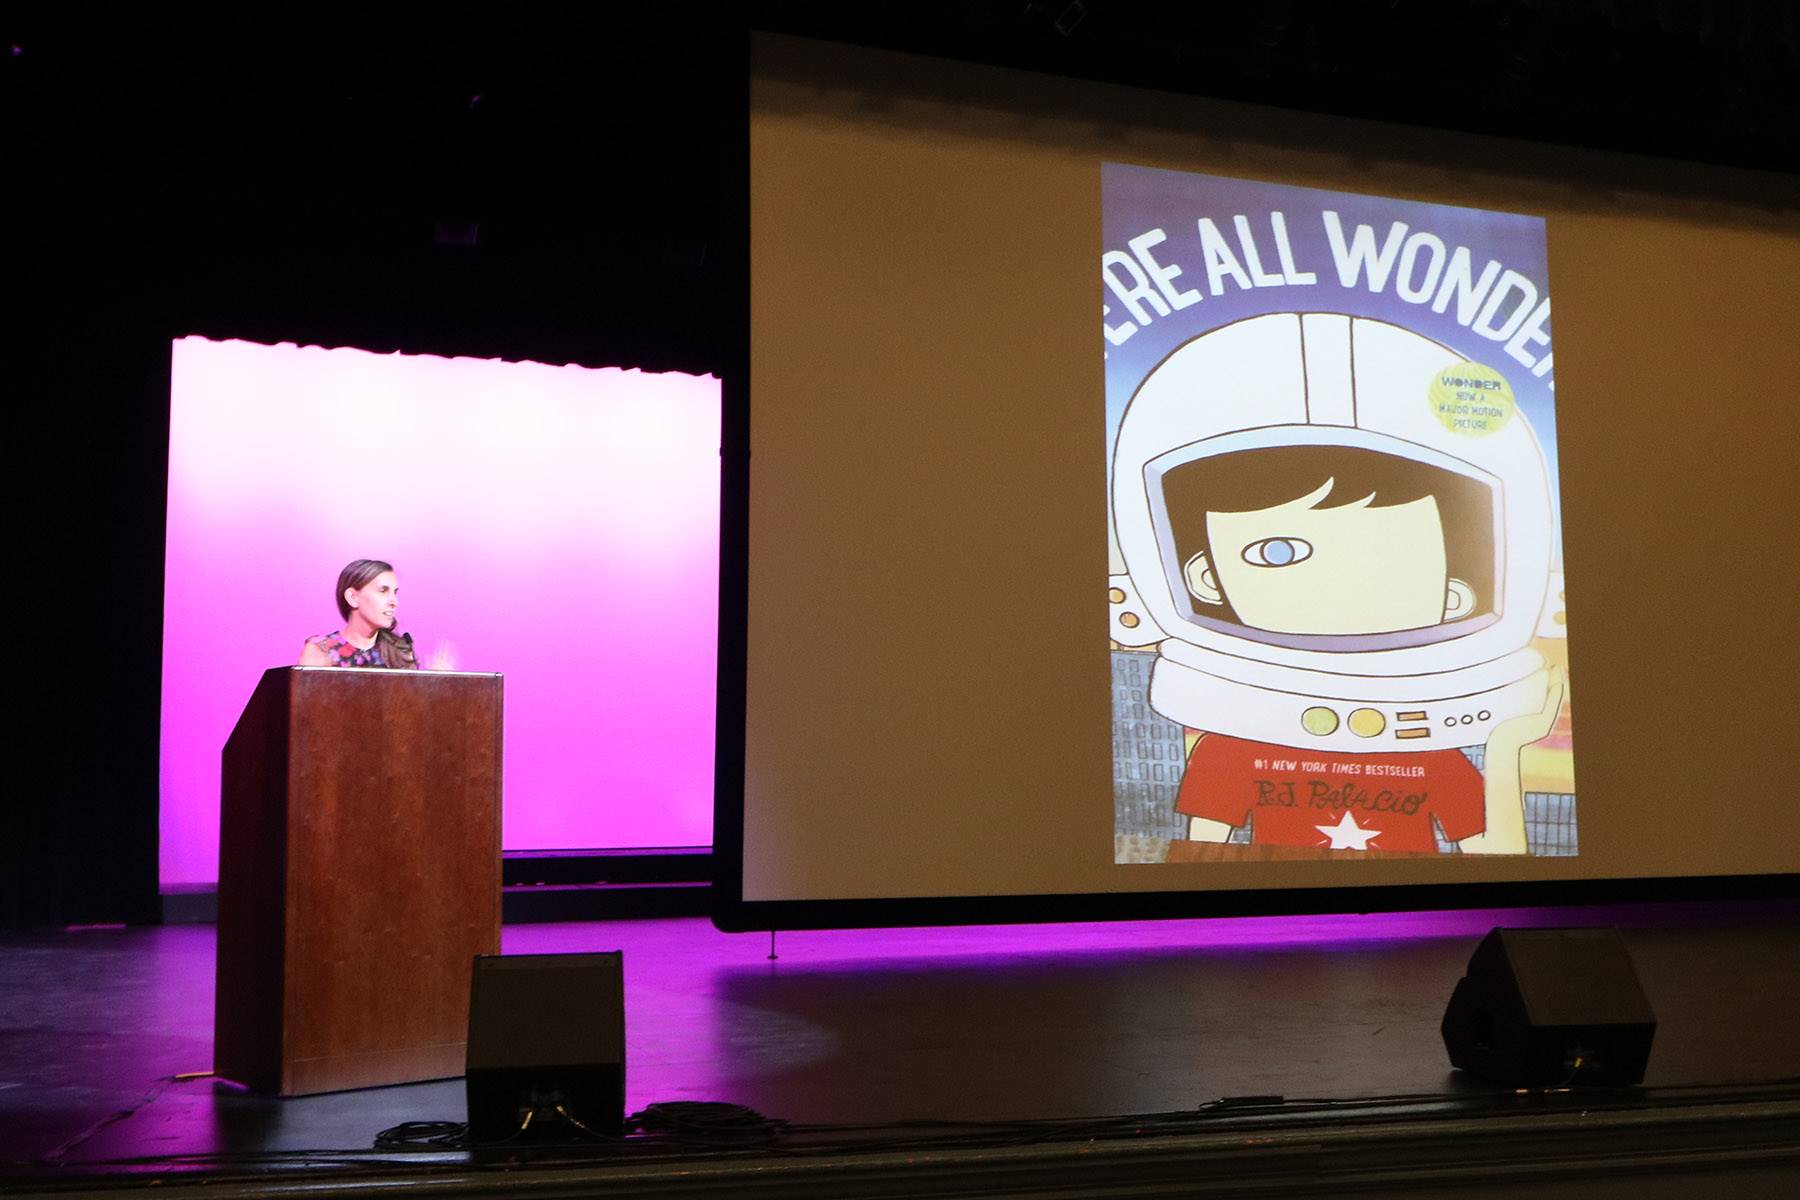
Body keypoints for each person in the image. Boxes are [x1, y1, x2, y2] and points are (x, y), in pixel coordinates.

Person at [298, 559, 420, 669]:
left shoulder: (401, 651)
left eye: (395, 592)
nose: (394, 602)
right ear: (353, 597)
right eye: (383, 591)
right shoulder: (321, 650)